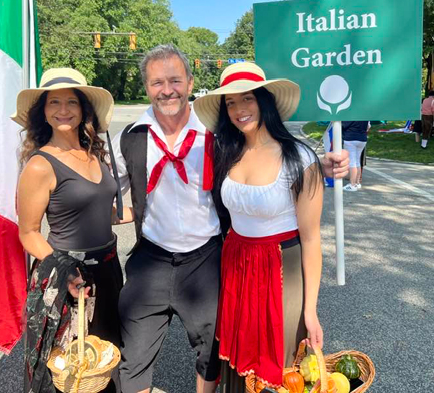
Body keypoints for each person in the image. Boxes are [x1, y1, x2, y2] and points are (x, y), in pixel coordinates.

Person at [111, 45, 349, 393]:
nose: (167, 89)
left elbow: (308, 230)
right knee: (159, 358)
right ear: (147, 86)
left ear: (190, 83)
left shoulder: (225, 141)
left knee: (254, 358)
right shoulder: (141, 139)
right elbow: (105, 188)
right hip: (202, 262)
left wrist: (322, 166)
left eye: (175, 79)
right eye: (157, 82)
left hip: (239, 262)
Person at [193, 62, 324, 390]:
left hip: (281, 269)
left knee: (280, 364)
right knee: (237, 362)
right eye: (231, 103)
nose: (239, 109)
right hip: (236, 263)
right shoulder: (229, 151)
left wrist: (311, 310)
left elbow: (311, 240)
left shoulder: (300, 158)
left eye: (247, 99)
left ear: (264, 101)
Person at [13, 68, 128, 393]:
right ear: (43, 111)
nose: (63, 110)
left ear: (83, 110)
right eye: (54, 102)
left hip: (106, 271)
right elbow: (29, 233)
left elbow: (104, 212)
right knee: (67, 372)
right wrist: (67, 273)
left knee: (101, 363)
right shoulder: (40, 165)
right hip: (65, 275)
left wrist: (160, 213)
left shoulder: (95, 155)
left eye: (71, 102)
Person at [342, 121, 370, 191]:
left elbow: (343, 125)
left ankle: (352, 184)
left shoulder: (350, 115)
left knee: (352, 162)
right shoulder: (365, 115)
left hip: (350, 138)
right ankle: (357, 183)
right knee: (357, 161)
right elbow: (368, 127)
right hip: (362, 139)